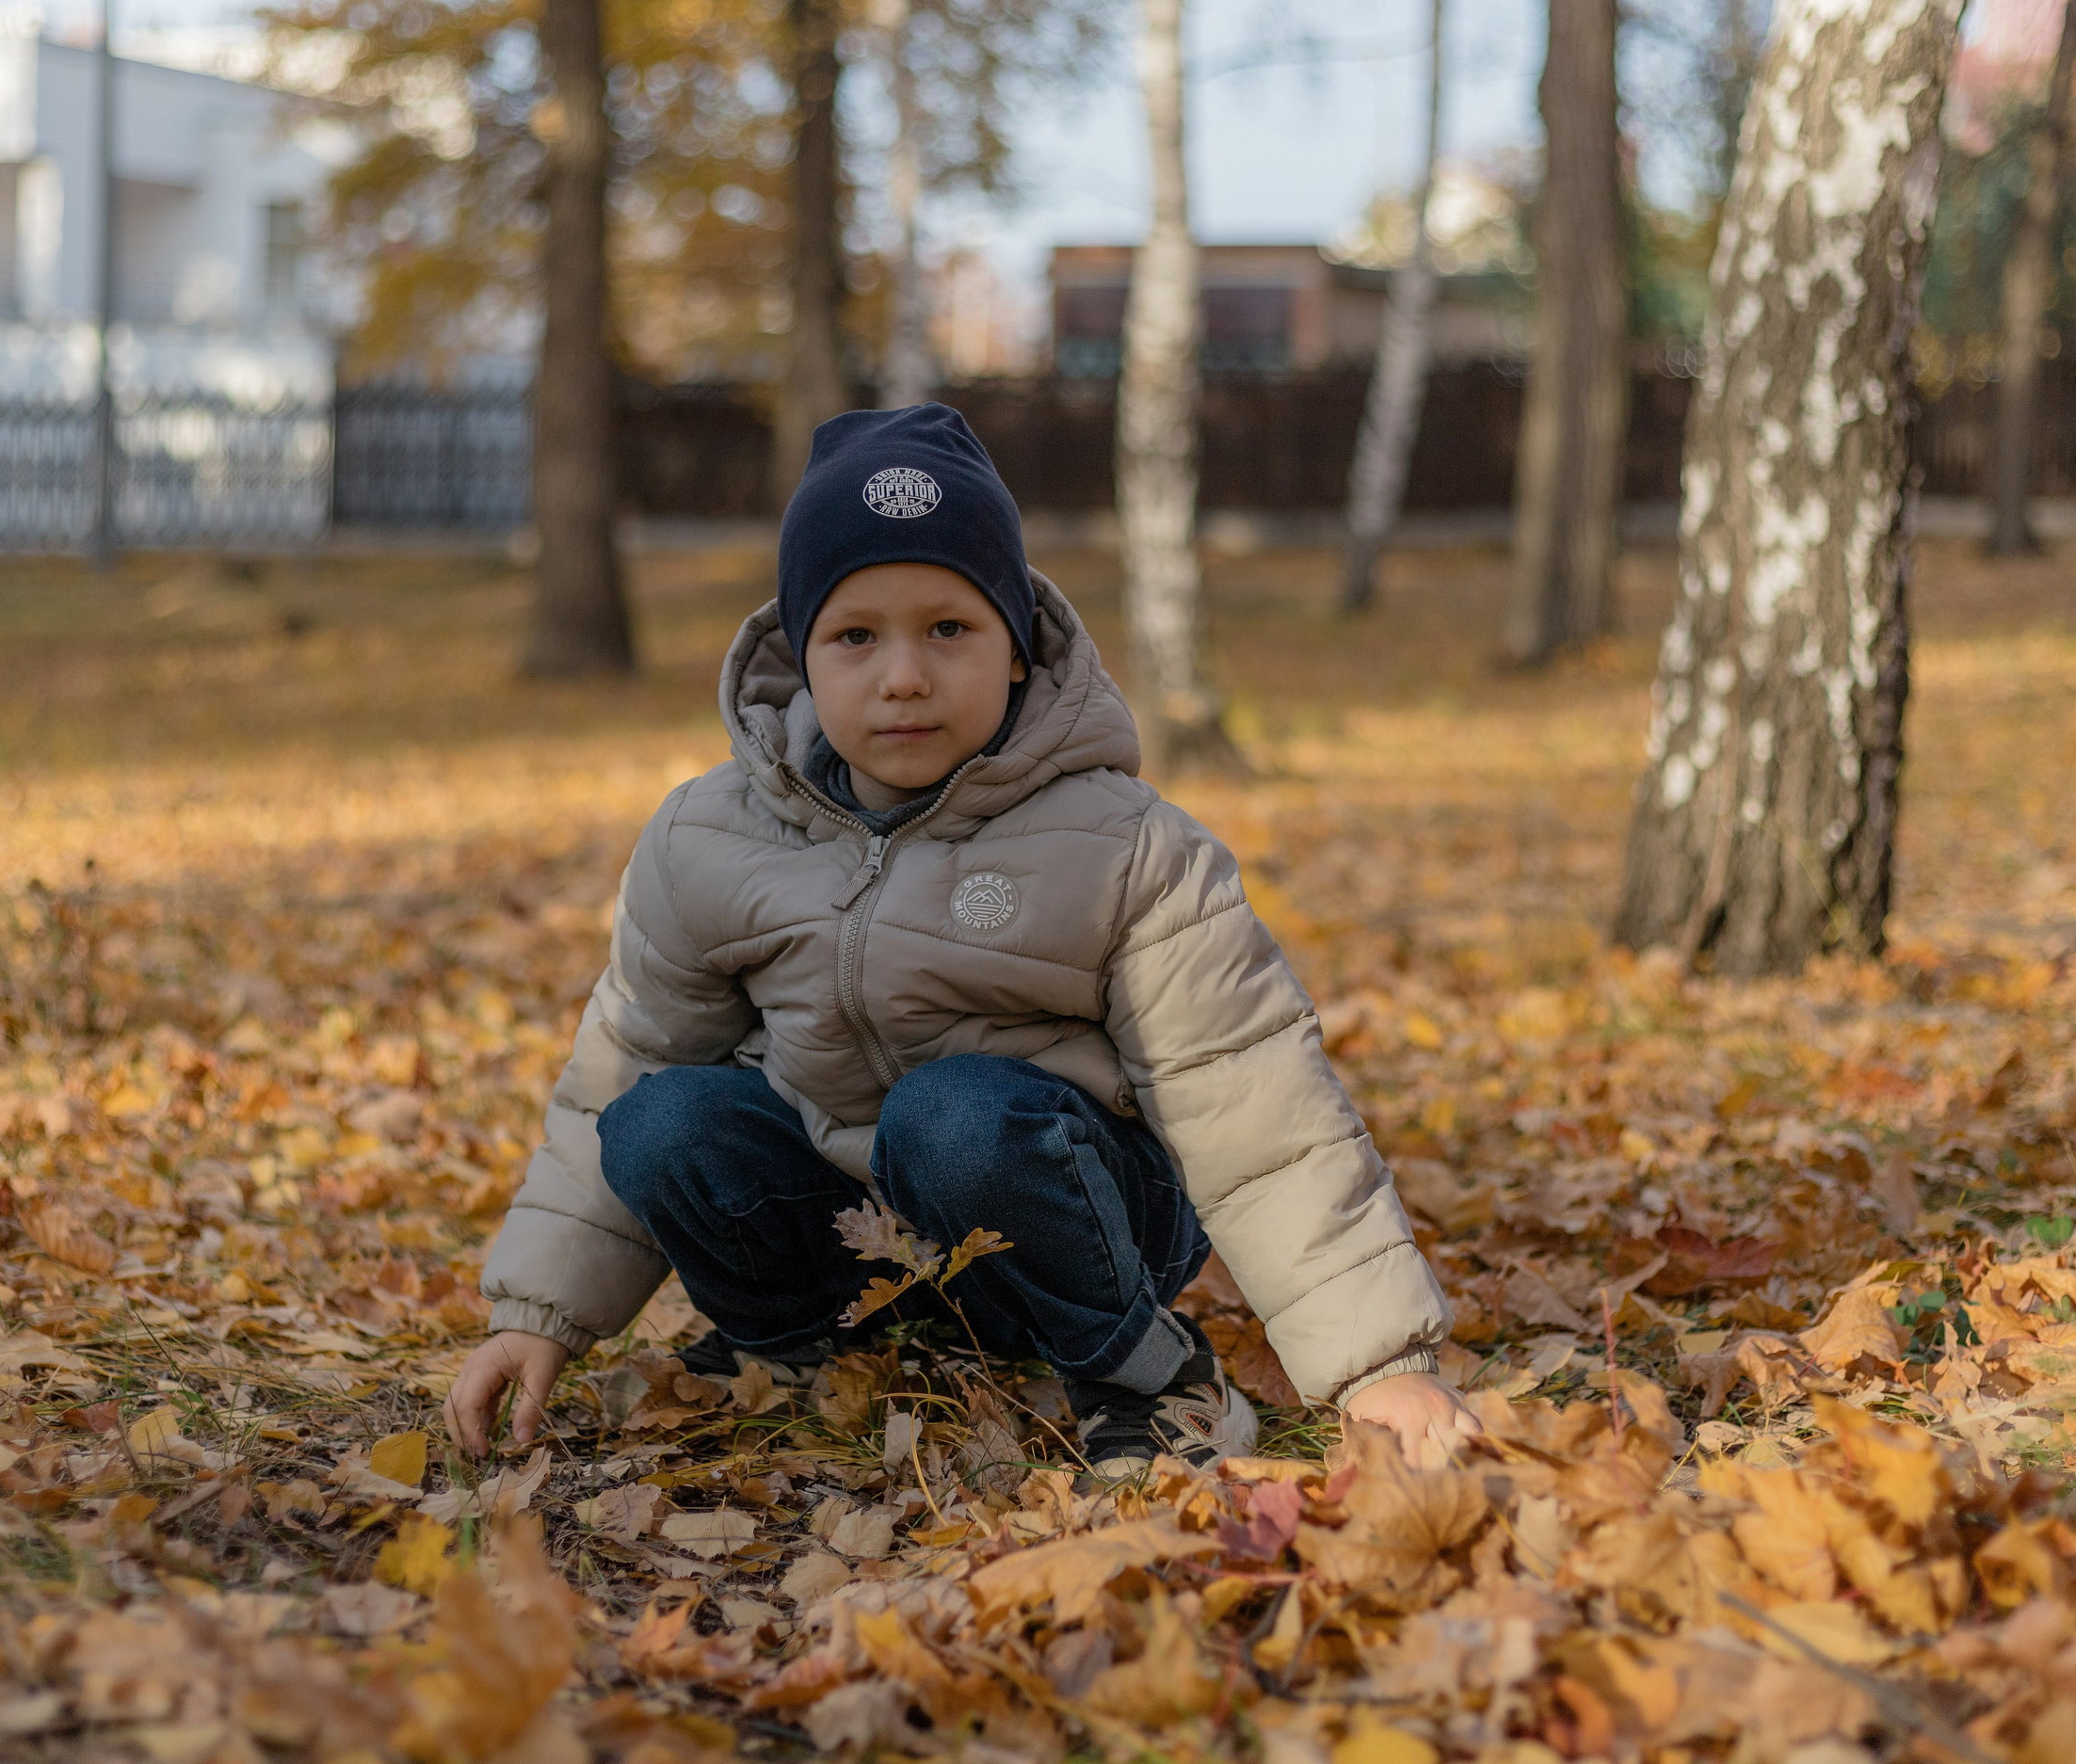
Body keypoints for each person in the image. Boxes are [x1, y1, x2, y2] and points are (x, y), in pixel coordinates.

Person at [445, 403, 1479, 1480]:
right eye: (856, 636)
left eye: (949, 629)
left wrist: (1375, 1365)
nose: (903, 676)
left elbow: (1253, 1098)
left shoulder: (1121, 846)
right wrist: (539, 1316)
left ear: (1021, 650)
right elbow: (625, 1061)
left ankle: (1139, 1373)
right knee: (661, 1118)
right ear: (799, 656)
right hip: (858, 1227)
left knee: (953, 1114)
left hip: (1079, 1201)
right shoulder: (708, 838)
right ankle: (805, 1349)